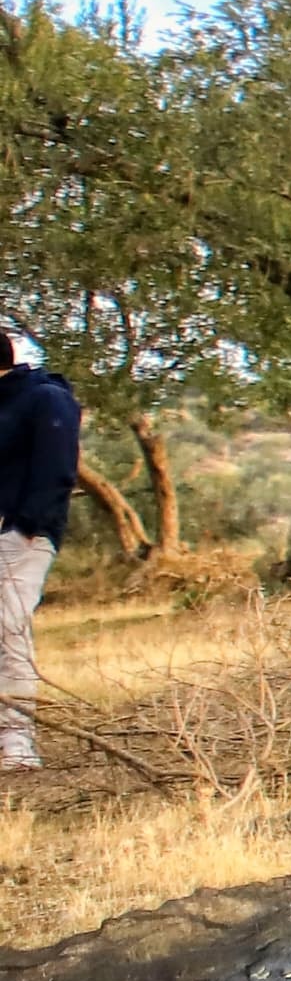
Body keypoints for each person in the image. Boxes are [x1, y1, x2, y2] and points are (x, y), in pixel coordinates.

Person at [0, 325, 73, 774]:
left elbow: (57, 469)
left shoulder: (46, 398)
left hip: (21, 535)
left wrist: (25, 525)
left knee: (8, 630)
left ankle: (16, 742)